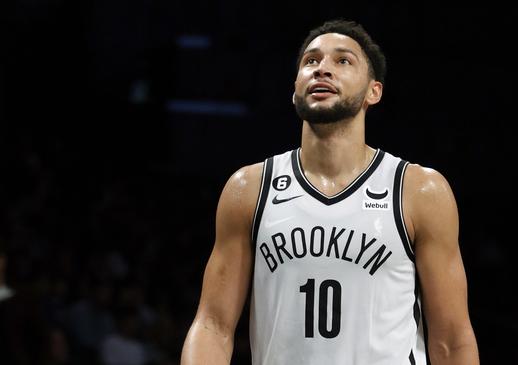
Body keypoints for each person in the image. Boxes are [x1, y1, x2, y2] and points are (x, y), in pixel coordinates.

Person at [181, 19, 479, 365]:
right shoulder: (249, 189)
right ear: (295, 88)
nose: (322, 69)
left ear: (374, 91)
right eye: (311, 61)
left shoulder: (418, 191)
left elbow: (452, 339)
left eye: (343, 61)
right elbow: (213, 325)